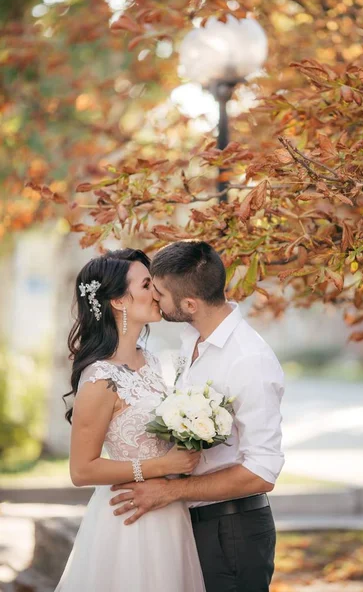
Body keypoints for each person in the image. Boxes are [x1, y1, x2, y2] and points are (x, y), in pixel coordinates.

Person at [110, 241, 285, 592]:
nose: (153, 299)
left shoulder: (249, 360)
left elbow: (262, 471)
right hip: (190, 524)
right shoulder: (191, 336)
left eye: (158, 292)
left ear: (190, 304)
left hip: (232, 532)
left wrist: (173, 491)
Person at [55, 248, 205, 592]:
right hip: (129, 520)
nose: (158, 292)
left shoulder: (150, 360)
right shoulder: (99, 379)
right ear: (120, 301)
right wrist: (159, 466)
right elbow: (82, 470)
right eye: (148, 284)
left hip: (170, 512)